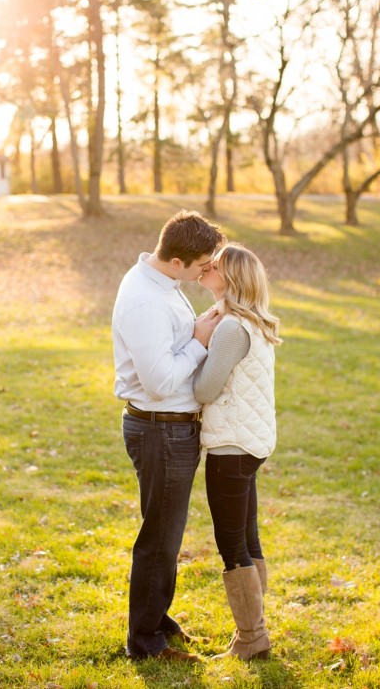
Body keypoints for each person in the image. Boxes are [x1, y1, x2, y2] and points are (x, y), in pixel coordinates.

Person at [112, 209, 226, 662]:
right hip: (160, 430)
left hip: (171, 429)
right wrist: (200, 339)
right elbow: (160, 380)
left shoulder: (165, 285)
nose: (206, 271)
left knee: (165, 533)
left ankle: (157, 620)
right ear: (176, 261)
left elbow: (170, 347)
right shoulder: (145, 299)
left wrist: (200, 329)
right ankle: (145, 642)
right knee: (159, 537)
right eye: (201, 264)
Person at [194, 243, 280, 661]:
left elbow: (205, 389)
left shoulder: (229, 329)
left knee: (232, 544)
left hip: (231, 449)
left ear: (229, 278)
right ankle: (257, 628)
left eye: (214, 265)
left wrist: (197, 341)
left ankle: (251, 637)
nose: (205, 268)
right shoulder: (255, 323)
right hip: (253, 446)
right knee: (248, 534)